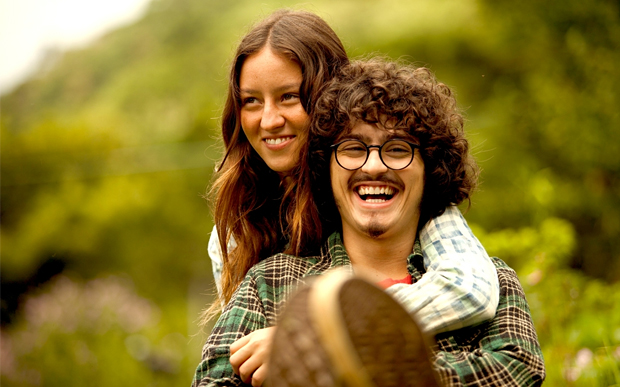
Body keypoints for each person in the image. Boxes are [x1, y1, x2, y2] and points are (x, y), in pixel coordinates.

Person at [193, 58, 545, 386]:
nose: (374, 166)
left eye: (397, 149)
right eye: (353, 149)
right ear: (324, 168)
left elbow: (518, 369)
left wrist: (336, 357)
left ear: (431, 170)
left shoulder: (495, 280)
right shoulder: (269, 283)